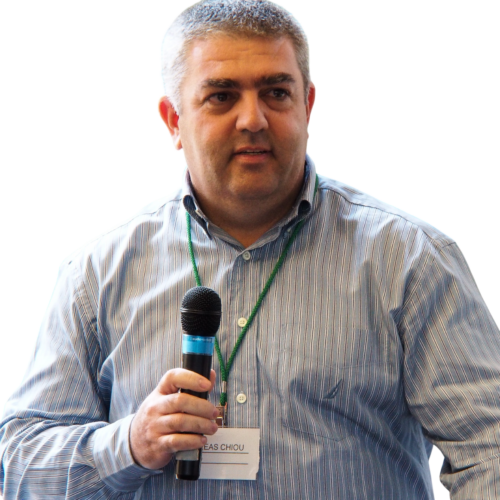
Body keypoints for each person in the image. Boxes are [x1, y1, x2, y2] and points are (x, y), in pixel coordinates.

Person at [1, 0, 499, 498]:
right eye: (221, 96)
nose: (252, 119)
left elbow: (489, 447)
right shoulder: (94, 272)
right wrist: (130, 444)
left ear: (307, 106)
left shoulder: (410, 259)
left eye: (276, 93)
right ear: (173, 120)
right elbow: (20, 465)